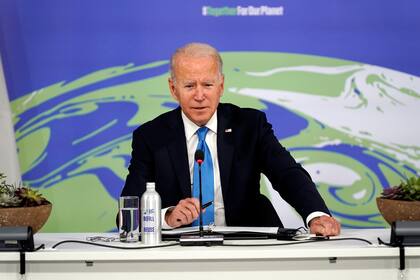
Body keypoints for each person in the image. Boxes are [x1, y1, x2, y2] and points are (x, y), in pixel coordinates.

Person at [121, 42, 340, 236]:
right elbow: (127, 216)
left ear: (221, 86)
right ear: (173, 89)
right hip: (179, 251)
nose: (199, 95)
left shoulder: (250, 125)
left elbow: (287, 173)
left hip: (248, 244)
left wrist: (316, 214)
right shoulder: (151, 136)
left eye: (207, 85)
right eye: (189, 86)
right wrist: (167, 217)